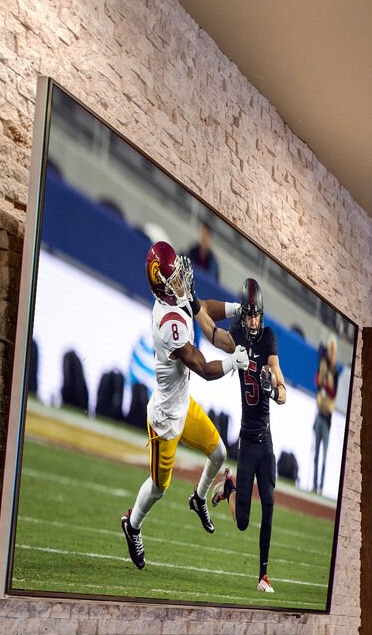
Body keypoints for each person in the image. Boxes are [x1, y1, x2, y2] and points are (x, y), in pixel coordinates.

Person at [119, 240, 243, 570]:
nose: (181, 282)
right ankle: (132, 526)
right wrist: (233, 363)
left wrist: (236, 309)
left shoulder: (175, 296)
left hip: (183, 405)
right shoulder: (168, 324)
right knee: (159, 487)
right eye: (174, 278)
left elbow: (203, 308)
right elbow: (201, 367)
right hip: (165, 420)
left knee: (218, 453)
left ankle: (199, 498)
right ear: (161, 283)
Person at [209, 279, 287, 594]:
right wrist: (195, 307)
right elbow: (213, 335)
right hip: (246, 442)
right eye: (249, 315)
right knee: (242, 522)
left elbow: (282, 390)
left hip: (265, 441)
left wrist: (274, 390)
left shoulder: (268, 338)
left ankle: (263, 576)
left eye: (257, 315)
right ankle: (228, 487)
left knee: (269, 504)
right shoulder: (237, 335)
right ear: (243, 314)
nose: (253, 320)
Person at [312, 335, 339, 493]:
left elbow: (332, 392)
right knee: (316, 454)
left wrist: (324, 382)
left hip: (327, 418)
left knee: (323, 456)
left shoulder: (334, 371)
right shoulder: (323, 365)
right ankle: (315, 485)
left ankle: (321, 486)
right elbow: (317, 381)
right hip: (319, 414)